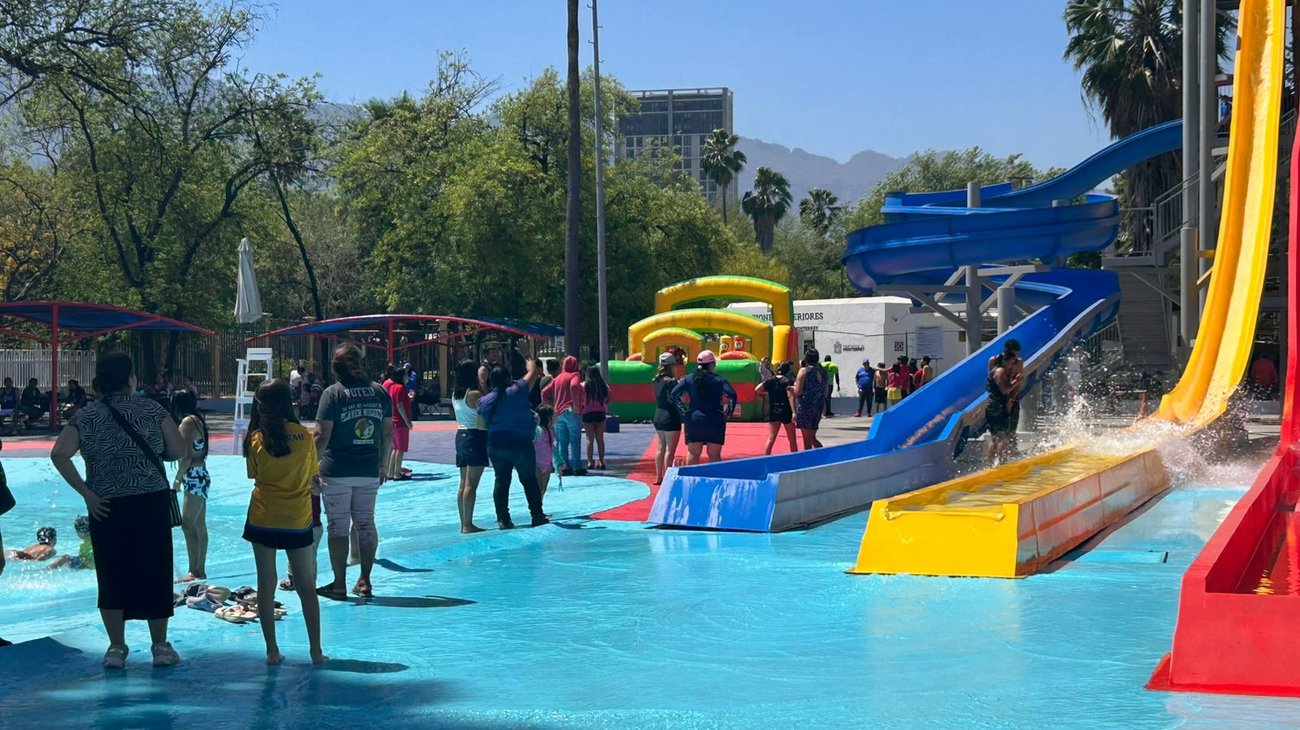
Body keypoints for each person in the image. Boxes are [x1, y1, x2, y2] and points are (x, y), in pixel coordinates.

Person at [49, 352, 186, 669]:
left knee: (111, 573)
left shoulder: (86, 416)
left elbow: (59, 454)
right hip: (149, 501)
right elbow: (178, 450)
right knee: (156, 570)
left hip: (106, 505)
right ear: (130, 379)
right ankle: (160, 646)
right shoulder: (152, 409)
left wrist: (87, 494)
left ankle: (116, 647)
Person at [243, 379, 327, 666]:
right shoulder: (304, 437)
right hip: (296, 518)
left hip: (263, 517)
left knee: (265, 586)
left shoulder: (255, 438)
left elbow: (254, 475)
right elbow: (312, 477)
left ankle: (272, 652)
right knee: (306, 586)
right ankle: (315, 651)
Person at [314, 344, 392, 600]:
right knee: (366, 523)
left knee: (338, 526)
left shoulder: (333, 395)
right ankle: (365, 580)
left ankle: (339, 583)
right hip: (368, 469)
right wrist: (383, 465)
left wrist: (310, 467)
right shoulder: (380, 392)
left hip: (336, 470)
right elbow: (387, 433)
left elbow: (321, 435)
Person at [478, 341, 548, 528]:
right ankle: (537, 515)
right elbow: (533, 372)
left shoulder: (484, 402)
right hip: (520, 444)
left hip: (496, 445)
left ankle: (503, 518)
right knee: (529, 480)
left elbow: (484, 423)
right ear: (509, 379)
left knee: (501, 481)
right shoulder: (518, 390)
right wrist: (525, 355)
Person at [671, 350, 738, 464]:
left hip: (694, 418)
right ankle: (714, 480)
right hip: (715, 419)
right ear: (712, 364)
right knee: (714, 454)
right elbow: (732, 395)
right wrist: (728, 413)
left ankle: (691, 480)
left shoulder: (689, 378)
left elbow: (674, 394)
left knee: (693, 453)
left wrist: (684, 411)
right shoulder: (719, 379)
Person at [171, 391, 210, 582]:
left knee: (187, 524)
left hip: (193, 476)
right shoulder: (197, 419)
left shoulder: (187, 422)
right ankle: (199, 569)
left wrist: (177, 480)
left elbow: (185, 456)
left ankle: (194, 570)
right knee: (199, 525)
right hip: (200, 474)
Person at [452, 360, 489, 534]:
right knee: (471, 484)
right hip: (475, 435)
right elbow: (488, 407)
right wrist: (484, 384)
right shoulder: (474, 394)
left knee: (463, 483)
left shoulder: (456, 394)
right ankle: (468, 524)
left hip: (461, 435)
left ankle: (464, 522)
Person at [541, 356, 585, 476]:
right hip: (571, 411)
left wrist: (549, 407)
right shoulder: (574, 375)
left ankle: (563, 466)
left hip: (558, 413)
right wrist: (576, 405)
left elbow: (544, 392)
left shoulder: (558, 377)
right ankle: (577, 466)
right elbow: (575, 386)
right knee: (575, 439)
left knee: (561, 441)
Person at [986, 345, 1024, 466]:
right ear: (1006, 361)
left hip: (993, 407)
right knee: (1002, 438)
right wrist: (1016, 381)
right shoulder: (1000, 371)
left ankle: (990, 464)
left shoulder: (995, 370)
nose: (1012, 366)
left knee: (996, 438)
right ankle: (1002, 463)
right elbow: (1004, 390)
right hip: (998, 408)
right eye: (1012, 363)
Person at [651, 353, 683, 485]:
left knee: (660, 448)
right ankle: (668, 478)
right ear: (671, 366)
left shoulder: (655, 380)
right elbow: (678, 396)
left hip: (658, 414)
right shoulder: (672, 381)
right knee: (670, 449)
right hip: (670, 415)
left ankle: (659, 476)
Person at [759, 361, 797, 455]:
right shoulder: (788, 381)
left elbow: (757, 389)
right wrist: (794, 412)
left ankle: (766, 457)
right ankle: (795, 458)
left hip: (774, 410)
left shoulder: (770, 381)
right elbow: (790, 396)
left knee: (771, 437)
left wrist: (768, 393)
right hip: (786, 410)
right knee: (792, 438)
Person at [792, 350, 827, 450]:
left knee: (807, 439)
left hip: (805, 406)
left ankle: (808, 461)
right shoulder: (823, 372)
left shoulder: (803, 371)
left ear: (806, 359)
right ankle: (823, 456)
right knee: (812, 437)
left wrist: (792, 388)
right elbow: (825, 391)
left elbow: (797, 391)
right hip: (818, 406)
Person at [384, 367, 413, 481]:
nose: (407, 378)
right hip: (400, 422)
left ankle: (390, 472)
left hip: (393, 421)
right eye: (405, 375)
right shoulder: (401, 388)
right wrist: (407, 420)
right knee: (400, 449)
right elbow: (400, 405)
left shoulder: (393, 387)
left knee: (395, 448)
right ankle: (396, 473)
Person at [582, 366, 610, 470]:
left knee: (589, 439)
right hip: (600, 413)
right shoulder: (603, 385)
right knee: (600, 439)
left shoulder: (583, 386)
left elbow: (580, 398)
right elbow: (609, 399)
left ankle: (590, 462)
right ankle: (601, 461)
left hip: (587, 413)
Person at [534, 405, 557, 496]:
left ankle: (540, 506)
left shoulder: (550, 432)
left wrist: (558, 462)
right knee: (538, 488)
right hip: (536, 463)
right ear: (547, 418)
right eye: (553, 417)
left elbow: (552, 448)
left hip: (547, 465)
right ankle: (536, 508)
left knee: (543, 488)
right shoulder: (536, 431)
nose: (555, 419)